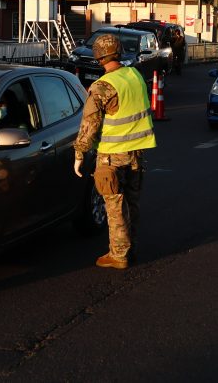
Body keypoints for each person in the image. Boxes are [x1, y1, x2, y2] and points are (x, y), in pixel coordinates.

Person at [73, 34, 157, 270]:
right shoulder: (134, 75)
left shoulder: (102, 87)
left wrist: (79, 153)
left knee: (114, 205)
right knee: (132, 203)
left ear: (99, 57)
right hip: (136, 153)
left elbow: (89, 125)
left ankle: (119, 254)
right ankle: (132, 246)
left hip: (111, 156)